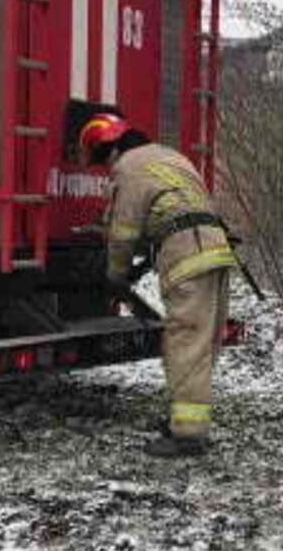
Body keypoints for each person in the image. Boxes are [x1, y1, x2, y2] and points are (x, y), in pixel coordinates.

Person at [80, 113, 238, 458]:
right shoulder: (171, 157)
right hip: (215, 249)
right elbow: (175, 211)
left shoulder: (128, 167)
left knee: (184, 341)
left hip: (187, 253)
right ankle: (185, 421)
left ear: (109, 149)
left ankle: (188, 435)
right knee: (201, 342)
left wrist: (116, 275)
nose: (105, 169)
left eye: (100, 160)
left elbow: (124, 231)